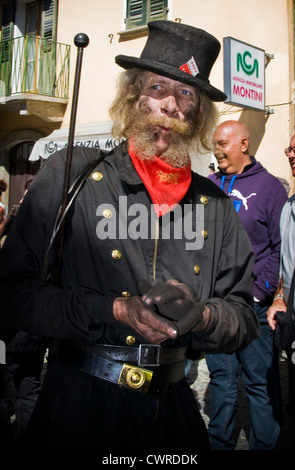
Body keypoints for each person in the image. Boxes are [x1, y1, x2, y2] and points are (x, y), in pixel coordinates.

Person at [0, 21, 260, 452]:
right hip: (77, 411)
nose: (171, 105)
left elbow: (244, 316)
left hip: (172, 418)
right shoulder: (75, 175)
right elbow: (10, 293)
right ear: (134, 95)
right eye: (159, 87)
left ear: (197, 115)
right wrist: (114, 309)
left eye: (186, 94)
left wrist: (204, 318)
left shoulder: (214, 204)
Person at [205, 120, 288, 450]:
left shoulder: (270, 188)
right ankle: (219, 443)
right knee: (221, 379)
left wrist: (260, 291)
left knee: (258, 383)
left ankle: (264, 445)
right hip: (216, 305)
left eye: (223, 143)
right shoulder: (208, 185)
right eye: (215, 143)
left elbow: (281, 247)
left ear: (243, 144)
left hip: (253, 305)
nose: (217, 149)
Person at [0, 179, 47, 446]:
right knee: (29, 388)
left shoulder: (14, 251)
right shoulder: (51, 232)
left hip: (10, 331)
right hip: (33, 330)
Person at [267, 130, 295, 393]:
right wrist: (279, 296)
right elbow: (285, 260)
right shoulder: (290, 207)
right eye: (289, 149)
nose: (291, 154)